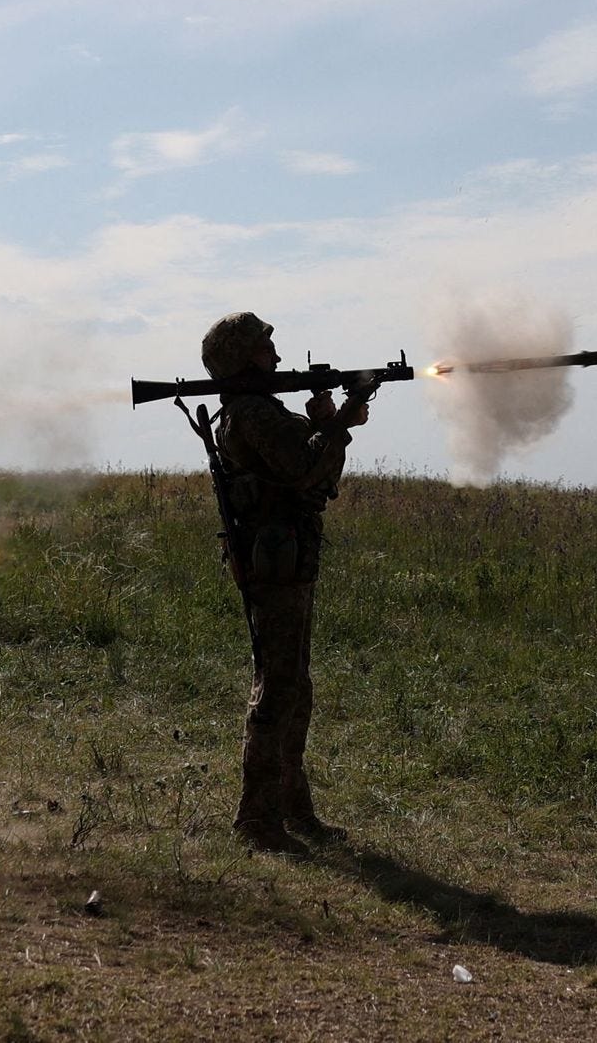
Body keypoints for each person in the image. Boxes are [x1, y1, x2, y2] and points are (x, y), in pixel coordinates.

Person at [200, 312, 369, 855]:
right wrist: (336, 420)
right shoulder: (252, 413)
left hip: (286, 557)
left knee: (295, 685)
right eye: (265, 347)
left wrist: (329, 420)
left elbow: (315, 476)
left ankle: (293, 809)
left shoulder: (256, 410)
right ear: (244, 356)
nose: (276, 355)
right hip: (275, 559)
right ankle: (257, 819)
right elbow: (302, 467)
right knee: (277, 689)